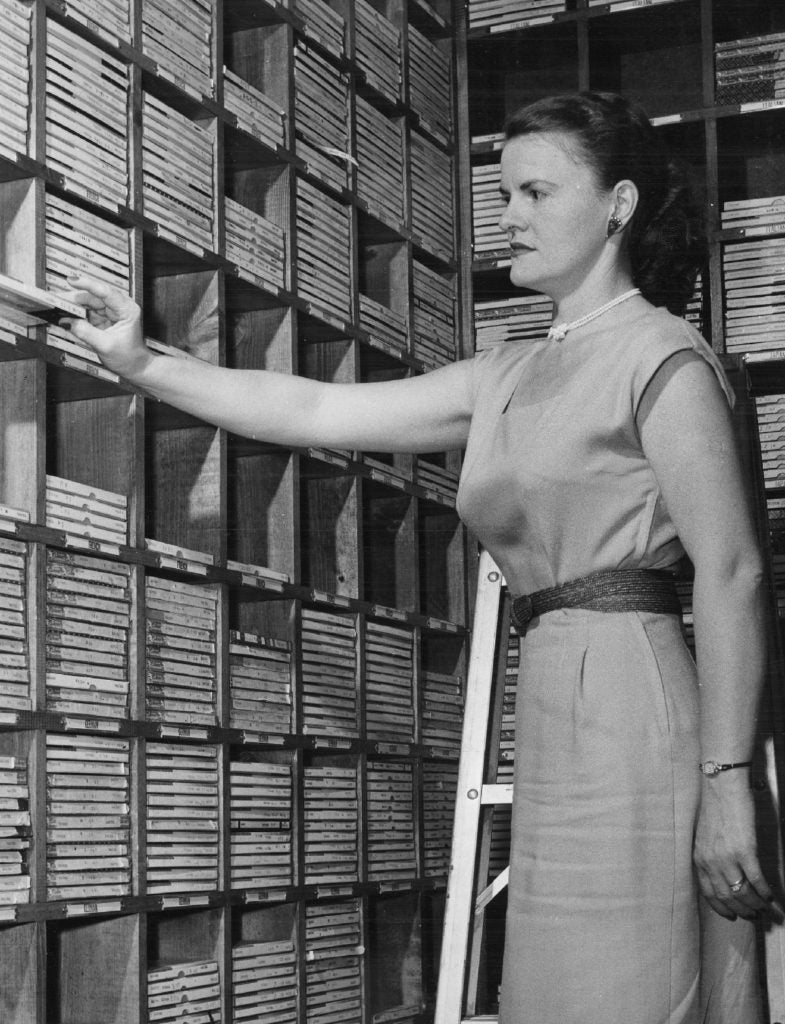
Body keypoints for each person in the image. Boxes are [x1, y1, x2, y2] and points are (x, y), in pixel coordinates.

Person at [61, 90, 779, 1022]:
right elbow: (317, 411)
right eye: (502, 193)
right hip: (557, 703)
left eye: (533, 192)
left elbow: (732, 573)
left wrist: (727, 786)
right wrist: (145, 363)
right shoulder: (506, 371)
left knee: (630, 988)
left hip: (638, 709)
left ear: (618, 206)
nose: (506, 218)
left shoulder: (662, 357)